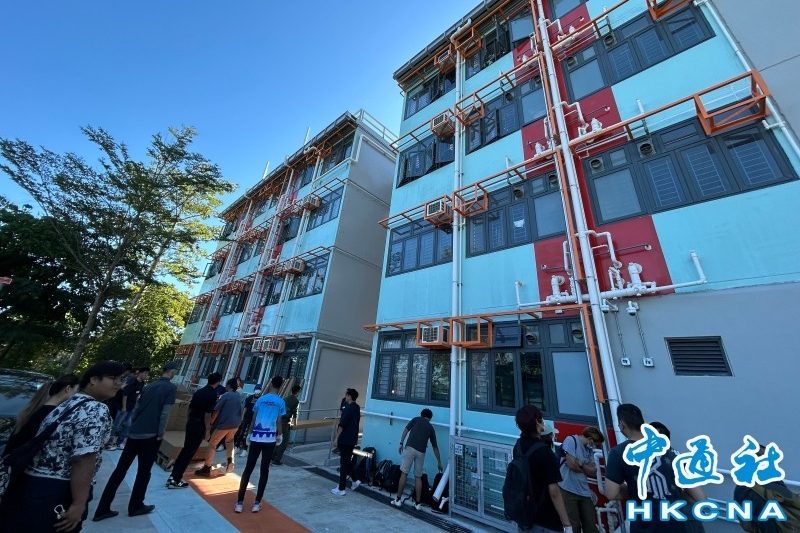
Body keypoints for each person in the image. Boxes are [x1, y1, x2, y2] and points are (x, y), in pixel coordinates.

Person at [0, 361, 126, 533]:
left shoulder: (68, 403)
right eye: (113, 378)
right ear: (93, 380)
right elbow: (83, 458)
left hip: (31, 487)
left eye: (120, 379)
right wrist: (79, 503)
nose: (118, 384)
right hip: (57, 491)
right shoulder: (95, 409)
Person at [92, 362, 178, 522]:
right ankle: (136, 505)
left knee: (120, 470)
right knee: (144, 472)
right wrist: (160, 433)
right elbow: (165, 413)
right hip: (150, 435)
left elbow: (137, 408)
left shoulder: (149, 386)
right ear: (171, 372)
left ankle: (102, 508)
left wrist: (133, 427)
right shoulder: (170, 388)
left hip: (134, 433)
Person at [604, 404, 704, 532]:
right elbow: (700, 497)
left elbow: (611, 493)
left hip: (645, 527)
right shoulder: (671, 452)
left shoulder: (619, 452)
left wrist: (633, 488)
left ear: (622, 424)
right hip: (676, 526)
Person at [512, 405, 573, 533]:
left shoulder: (518, 446)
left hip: (525, 514)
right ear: (537, 421)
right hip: (546, 519)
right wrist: (567, 524)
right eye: (541, 419)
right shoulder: (545, 452)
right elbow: (554, 492)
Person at [235, 376, 286, 513]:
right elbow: (279, 421)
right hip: (270, 439)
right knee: (264, 470)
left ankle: (239, 502)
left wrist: (249, 434)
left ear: (271, 384)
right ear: (281, 386)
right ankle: (257, 503)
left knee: (248, 468)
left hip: (256, 437)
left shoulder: (261, 399)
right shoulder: (280, 401)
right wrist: (280, 435)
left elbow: (254, 418)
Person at [166, 372, 222, 489]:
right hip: (199, 425)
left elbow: (190, 408)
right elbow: (207, 414)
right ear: (218, 382)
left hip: (191, 422)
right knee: (189, 452)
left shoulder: (199, 391)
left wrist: (189, 420)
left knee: (186, 450)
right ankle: (175, 479)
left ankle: (173, 476)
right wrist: (207, 430)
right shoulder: (212, 394)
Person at [4, 374, 79, 457]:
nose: (75, 395)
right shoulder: (52, 415)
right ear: (68, 388)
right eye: (75, 391)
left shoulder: (36, 409)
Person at [390, 408, 444, 509]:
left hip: (410, 448)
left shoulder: (415, 419)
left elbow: (405, 430)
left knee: (404, 473)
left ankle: (398, 500)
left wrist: (401, 443)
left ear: (421, 415)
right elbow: (435, 447)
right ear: (430, 418)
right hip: (421, 452)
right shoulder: (431, 428)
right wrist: (439, 462)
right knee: (418, 477)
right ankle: (418, 504)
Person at [558, 426, 605, 533]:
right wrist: (585, 467)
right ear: (591, 440)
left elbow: (593, 471)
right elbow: (571, 464)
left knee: (590, 525)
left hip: (584, 491)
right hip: (567, 488)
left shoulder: (589, 450)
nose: (595, 447)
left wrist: (581, 464)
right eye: (596, 444)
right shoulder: (571, 440)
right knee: (574, 525)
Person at [196, 378, 243, 476]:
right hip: (235, 425)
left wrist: (211, 422)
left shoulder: (225, 396)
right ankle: (230, 463)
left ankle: (206, 467)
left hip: (223, 425)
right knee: (229, 442)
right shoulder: (238, 396)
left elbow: (216, 410)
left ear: (229, 385)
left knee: (212, 444)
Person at [330, 388, 361, 496]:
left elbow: (342, 425)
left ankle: (341, 488)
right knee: (347, 461)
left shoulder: (348, 409)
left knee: (343, 463)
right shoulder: (357, 407)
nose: (345, 397)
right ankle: (355, 480)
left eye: (346, 395)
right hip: (352, 439)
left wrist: (336, 438)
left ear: (349, 396)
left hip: (345, 439)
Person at [114, 367, 149, 448]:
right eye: (145, 373)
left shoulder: (142, 383)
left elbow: (137, 395)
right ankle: (109, 441)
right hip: (123, 407)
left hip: (131, 407)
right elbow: (125, 395)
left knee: (128, 425)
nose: (146, 375)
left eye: (147, 374)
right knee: (117, 425)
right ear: (140, 373)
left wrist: (135, 406)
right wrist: (124, 407)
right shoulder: (132, 381)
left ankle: (120, 442)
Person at [272, 384, 301, 465]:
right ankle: (277, 460)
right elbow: (294, 413)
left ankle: (272, 456)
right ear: (298, 392)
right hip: (285, 422)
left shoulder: (285, 398)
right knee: (284, 442)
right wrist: (295, 424)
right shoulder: (295, 401)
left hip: (278, 420)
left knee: (277, 438)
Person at [235, 384, 262, 457]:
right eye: (256, 389)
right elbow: (245, 408)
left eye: (259, 389)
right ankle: (237, 447)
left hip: (254, 420)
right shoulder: (250, 397)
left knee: (248, 435)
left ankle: (245, 449)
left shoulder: (261, 399)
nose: (257, 391)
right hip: (246, 418)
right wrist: (242, 417)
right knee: (241, 432)